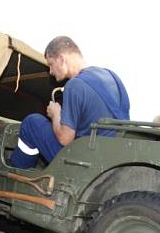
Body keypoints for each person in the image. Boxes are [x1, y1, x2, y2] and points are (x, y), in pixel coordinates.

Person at [9, 36, 130, 168]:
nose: (50, 71)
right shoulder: (112, 76)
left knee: (32, 122)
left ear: (61, 59)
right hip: (111, 155)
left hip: (83, 161)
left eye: (50, 64)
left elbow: (64, 139)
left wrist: (56, 114)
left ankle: (17, 177)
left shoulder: (75, 85)